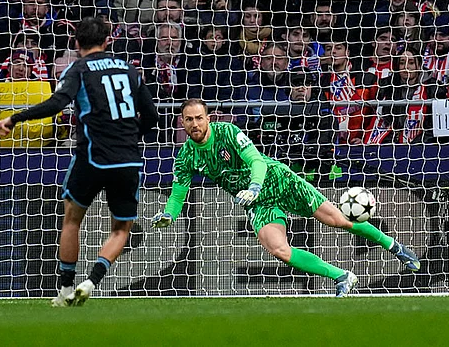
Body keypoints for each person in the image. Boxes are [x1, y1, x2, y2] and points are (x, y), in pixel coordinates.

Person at [151, 98, 420, 297]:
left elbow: (256, 160)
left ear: (208, 118)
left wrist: (255, 186)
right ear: (182, 122)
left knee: (338, 220)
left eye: (199, 118)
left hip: (278, 181)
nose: (195, 124)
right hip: (258, 202)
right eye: (189, 119)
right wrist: (169, 214)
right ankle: (342, 276)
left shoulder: (227, 133)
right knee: (279, 250)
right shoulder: (185, 156)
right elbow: (178, 193)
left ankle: (395, 247)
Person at [0, 17, 158, 307]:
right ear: (107, 41)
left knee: (72, 220)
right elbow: (152, 116)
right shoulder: (129, 69)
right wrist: (132, 137)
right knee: (121, 229)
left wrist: (15, 118)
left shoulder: (79, 69)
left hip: (91, 158)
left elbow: (57, 103)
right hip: (127, 160)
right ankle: (91, 281)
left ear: (76, 42)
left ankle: (66, 288)